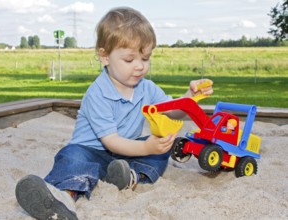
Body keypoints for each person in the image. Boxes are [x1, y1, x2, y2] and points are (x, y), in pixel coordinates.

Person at [15, 6, 213, 220]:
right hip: (92, 150)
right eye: (129, 60)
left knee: (162, 144)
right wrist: (145, 147)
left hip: (127, 151)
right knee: (73, 157)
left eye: (145, 58)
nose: (139, 67)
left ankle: (130, 177)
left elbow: (172, 112)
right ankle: (63, 197)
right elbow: (111, 141)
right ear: (105, 56)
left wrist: (189, 98)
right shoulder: (97, 93)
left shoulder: (147, 88)